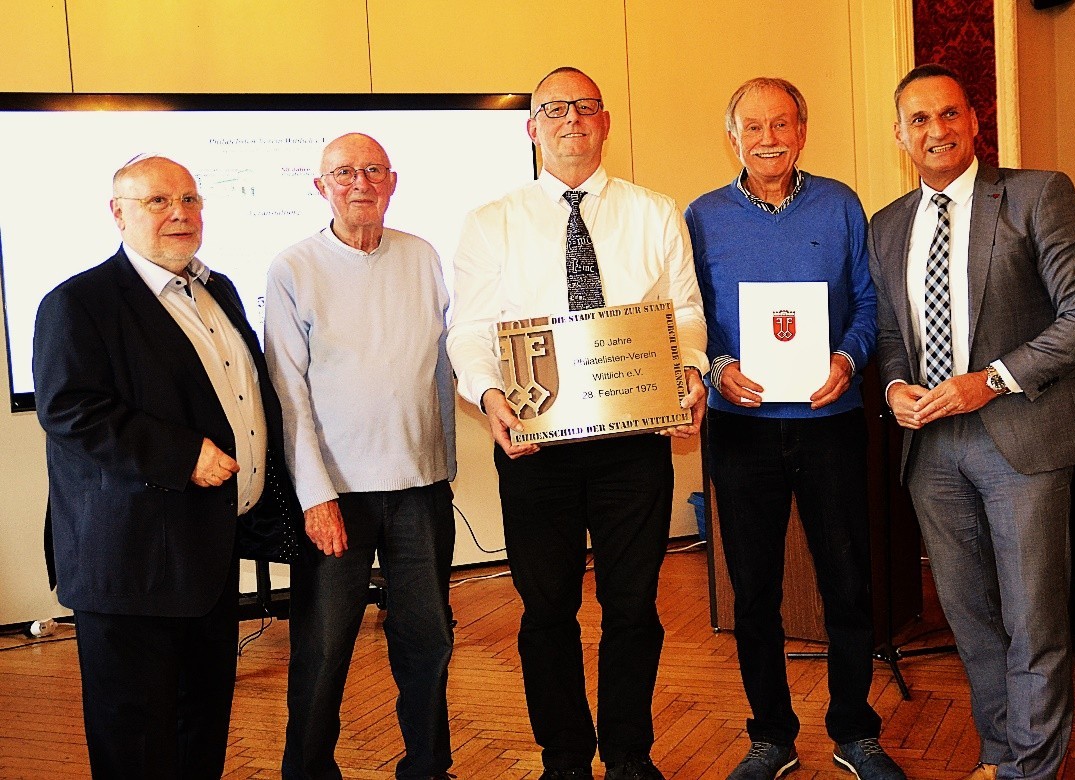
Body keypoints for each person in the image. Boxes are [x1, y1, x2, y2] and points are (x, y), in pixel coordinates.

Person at [446, 67, 708, 780]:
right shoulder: (490, 221)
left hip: (634, 445)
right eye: (555, 109)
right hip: (536, 449)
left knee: (633, 607)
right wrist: (489, 396)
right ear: (532, 127)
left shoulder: (655, 212)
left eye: (585, 108)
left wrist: (689, 369)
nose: (571, 121)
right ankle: (563, 758)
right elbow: (469, 329)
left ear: (605, 123)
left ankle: (628, 755)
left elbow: (684, 312)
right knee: (546, 610)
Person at [868, 64, 1075, 780]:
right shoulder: (887, 225)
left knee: (1033, 620)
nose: (936, 130)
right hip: (931, 450)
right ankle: (1000, 755)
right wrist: (893, 387)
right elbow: (891, 334)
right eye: (919, 119)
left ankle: (1030, 771)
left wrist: (991, 380)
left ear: (975, 121)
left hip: (1022, 438)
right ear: (899, 135)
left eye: (949, 113)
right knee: (970, 620)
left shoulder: (1037, 194)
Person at [33, 155, 297, 778]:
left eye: (190, 199)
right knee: (136, 740)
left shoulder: (218, 288)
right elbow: (70, 410)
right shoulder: (78, 302)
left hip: (207, 553)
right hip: (130, 564)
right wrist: (182, 456)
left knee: (200, 725)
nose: (180, 213)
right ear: (118, 213)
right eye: (158, 201)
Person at [684, 77, 906, 780]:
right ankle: (770, 737)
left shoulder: (841, 204)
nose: (768, 139)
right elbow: (689, 314)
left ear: (802, 132)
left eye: (781, 124)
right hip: (741, 427)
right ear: (732, 138)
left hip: (829, 422)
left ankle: (855, 732)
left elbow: (867, 303)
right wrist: (718, 366)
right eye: (752, 127)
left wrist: (849, 358)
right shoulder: (701, 216)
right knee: (753, 591)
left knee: (848, 582)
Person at [265, 133, 457, 780]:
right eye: (344, 172)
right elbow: (287, 392)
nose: (360, 183)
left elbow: (449, 361)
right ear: (320, 187)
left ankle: (428, 767)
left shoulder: (423, 256)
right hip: (336, 497)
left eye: (373, 171)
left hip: (421, 487)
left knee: (428, 641)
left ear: (392, 182)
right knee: (323, 648)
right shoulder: (293, 268)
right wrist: (314, 495)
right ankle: (308, 770)